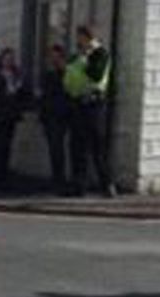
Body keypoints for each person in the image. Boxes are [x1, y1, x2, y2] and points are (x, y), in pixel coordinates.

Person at [65, 24, 116, 196]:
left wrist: (84, 60)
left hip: (94, 103)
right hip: (77, 102)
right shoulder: (76, 56)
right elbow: (68, 75)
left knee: (97, 146)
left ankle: (107, 184)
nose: (78, 41)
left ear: (88, 37)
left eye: (80, 37)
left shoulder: (100, 54)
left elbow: (96, 74)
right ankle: (79, 185)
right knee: (78, 147)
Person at [0, 48, 27, 187]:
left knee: (6, 146)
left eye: (11, 59)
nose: (9, 61)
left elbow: (19, 94)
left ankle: (2, 175)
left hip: (10, 115)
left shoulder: (16, 75)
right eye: (6, 59)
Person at [38, 43, 71, 192]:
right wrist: (42, 116)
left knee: (60, 149)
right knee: (55, 148)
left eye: (56, 56)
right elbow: (44, 97)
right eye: (52, 56)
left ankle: (62, 180)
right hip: (51, 116)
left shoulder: (66, 74)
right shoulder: (48, 75)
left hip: (63, 115)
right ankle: (57, 179)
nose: (54, 59)